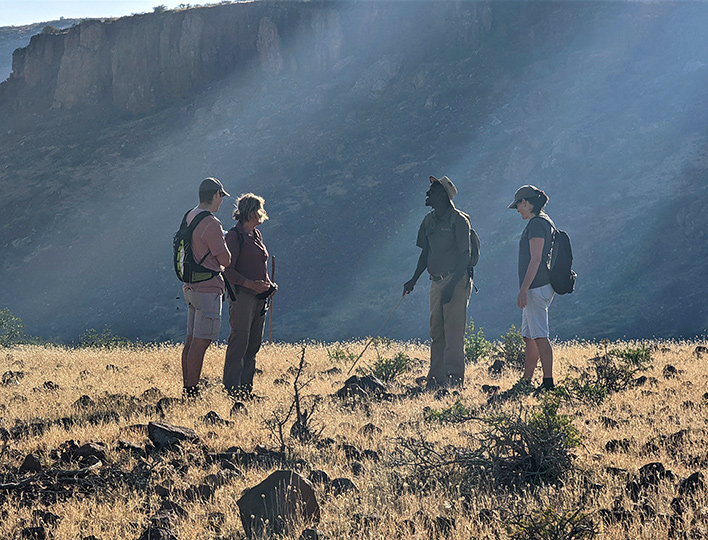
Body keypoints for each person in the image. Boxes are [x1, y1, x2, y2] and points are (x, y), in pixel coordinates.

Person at [403, 176, 472, 388]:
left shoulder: (459, 220)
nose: (427, 194)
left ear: (442, 194)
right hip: (436, 280)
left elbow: (465, 257)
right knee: (437, 332)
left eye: (432, 191)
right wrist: (413, 279)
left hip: (456, 280)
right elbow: (426, 253)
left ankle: (453, 380)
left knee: (453, 332)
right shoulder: (429, 221)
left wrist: (452, 287)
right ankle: (436, 378)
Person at [181, 177, 232, 398]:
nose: (222, 201)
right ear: (215, 195)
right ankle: (192, 392)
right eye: (221, 196)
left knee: (191, 340)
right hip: (208, 287)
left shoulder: (189, 216)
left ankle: (188, 387)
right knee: (202, 340)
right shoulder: (212, 223)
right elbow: (225, 259)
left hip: (191, 285)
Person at [223, 193, 277, 398]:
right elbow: (227, 270)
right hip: (242, 296)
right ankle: (231, 389)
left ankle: (246, 389)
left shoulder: (255, 235)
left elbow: (259, 265)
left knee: (253, 342)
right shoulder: (234, 237)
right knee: (240, 340)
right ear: (251, 212)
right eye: (260, 209)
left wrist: (268, 286)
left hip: (258, 297)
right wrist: (249, 284)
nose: (263, 214)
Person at [508, 184, 555, 391]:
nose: (517, 209)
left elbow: (535, 259)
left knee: (540, 336)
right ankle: (526, 380)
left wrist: (524, 289)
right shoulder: (545, 222)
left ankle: (548, 382)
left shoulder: (537, 224)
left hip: (536, 287)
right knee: (529, 336)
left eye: (518, 205)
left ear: (525, 202)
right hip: (540, 286)